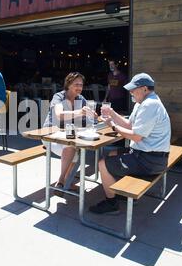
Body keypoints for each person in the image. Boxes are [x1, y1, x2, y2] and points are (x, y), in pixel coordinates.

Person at [90, 73, 171, 214]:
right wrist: (112, 113)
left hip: (150, 160)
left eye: (134, 89)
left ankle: (111, 204)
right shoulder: (143, 103)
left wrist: (112, 125)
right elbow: (129, 125)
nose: (131, 92)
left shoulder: (150, 105)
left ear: (145, 89)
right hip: (148, 155)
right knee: (113, 153)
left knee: (102, 163)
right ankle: (122, 194)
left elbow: (136, 136)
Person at [42, 72, 96, 193]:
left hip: (67, 135)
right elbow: (59, 115)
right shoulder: (59, 97)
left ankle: (63, 182)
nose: (79, 87)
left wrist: (97, 116)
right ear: (68, 84)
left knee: (74, 149)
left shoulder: (80, 99)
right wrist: (80, 112)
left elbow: (90, 115)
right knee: (72, 147)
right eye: (76, 84)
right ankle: (62, 181)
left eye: (81, 85)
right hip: (50, 136)